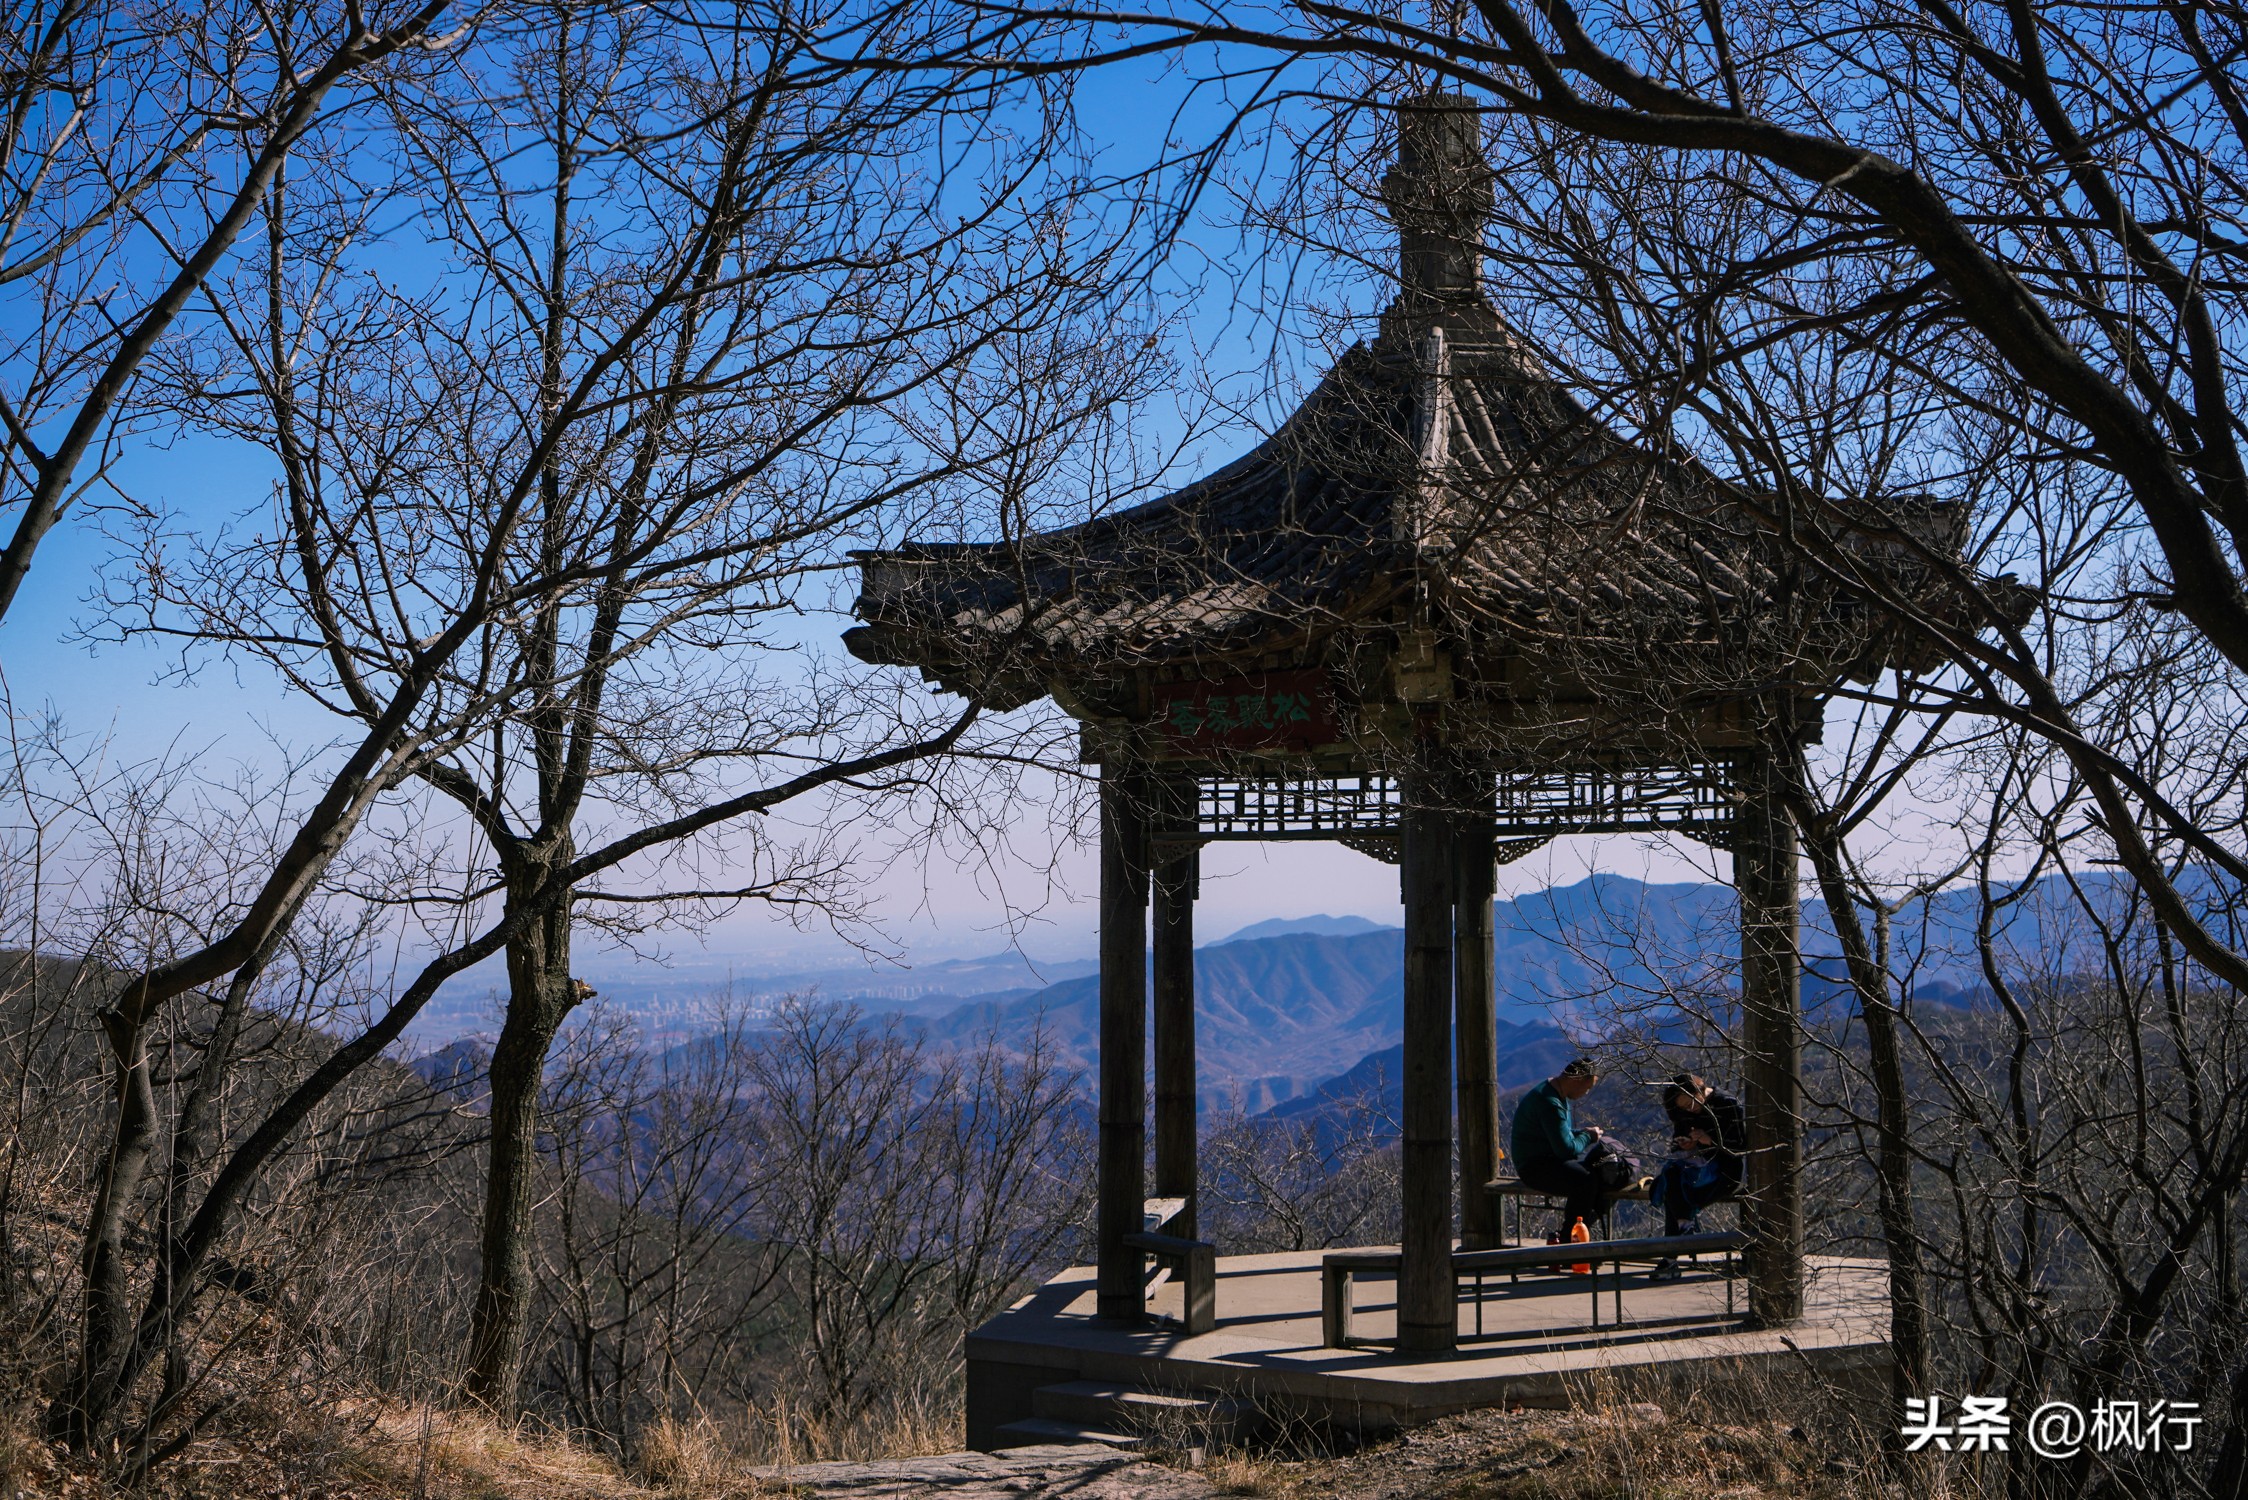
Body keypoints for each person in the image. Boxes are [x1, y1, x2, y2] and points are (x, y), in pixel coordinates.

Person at [1647, 1072, 1746, 1281]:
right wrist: (1686, 1143)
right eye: (1684, 1107)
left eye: (1691, 1102)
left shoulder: (1726, 1104)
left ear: (1700, 1090)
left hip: (1725, 1171)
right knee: (1672, 1177)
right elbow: (1677, 1140)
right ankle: (1683, 1229)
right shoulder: (1683, 1112)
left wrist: (1711, 1140)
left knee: (1675, 1193)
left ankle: (1671, 1256)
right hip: (1696, 1168)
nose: (1690, 1109)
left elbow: (1739, 1146)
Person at [1509, 1057, 1620, 1242]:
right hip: (1533, 1167)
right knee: (1585, 1179)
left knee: (1599, 1173)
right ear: (1577, 1079)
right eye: (1587, 1087)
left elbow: (1559, 1134)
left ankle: (1576, 1231)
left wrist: (1582, 1133)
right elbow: (1566, 1150)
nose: (1586, 1093)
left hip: (1545, 1159)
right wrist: (1588, 1137)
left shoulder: (1554, 1091)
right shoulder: (1550, 1102)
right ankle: (1570, 1238)